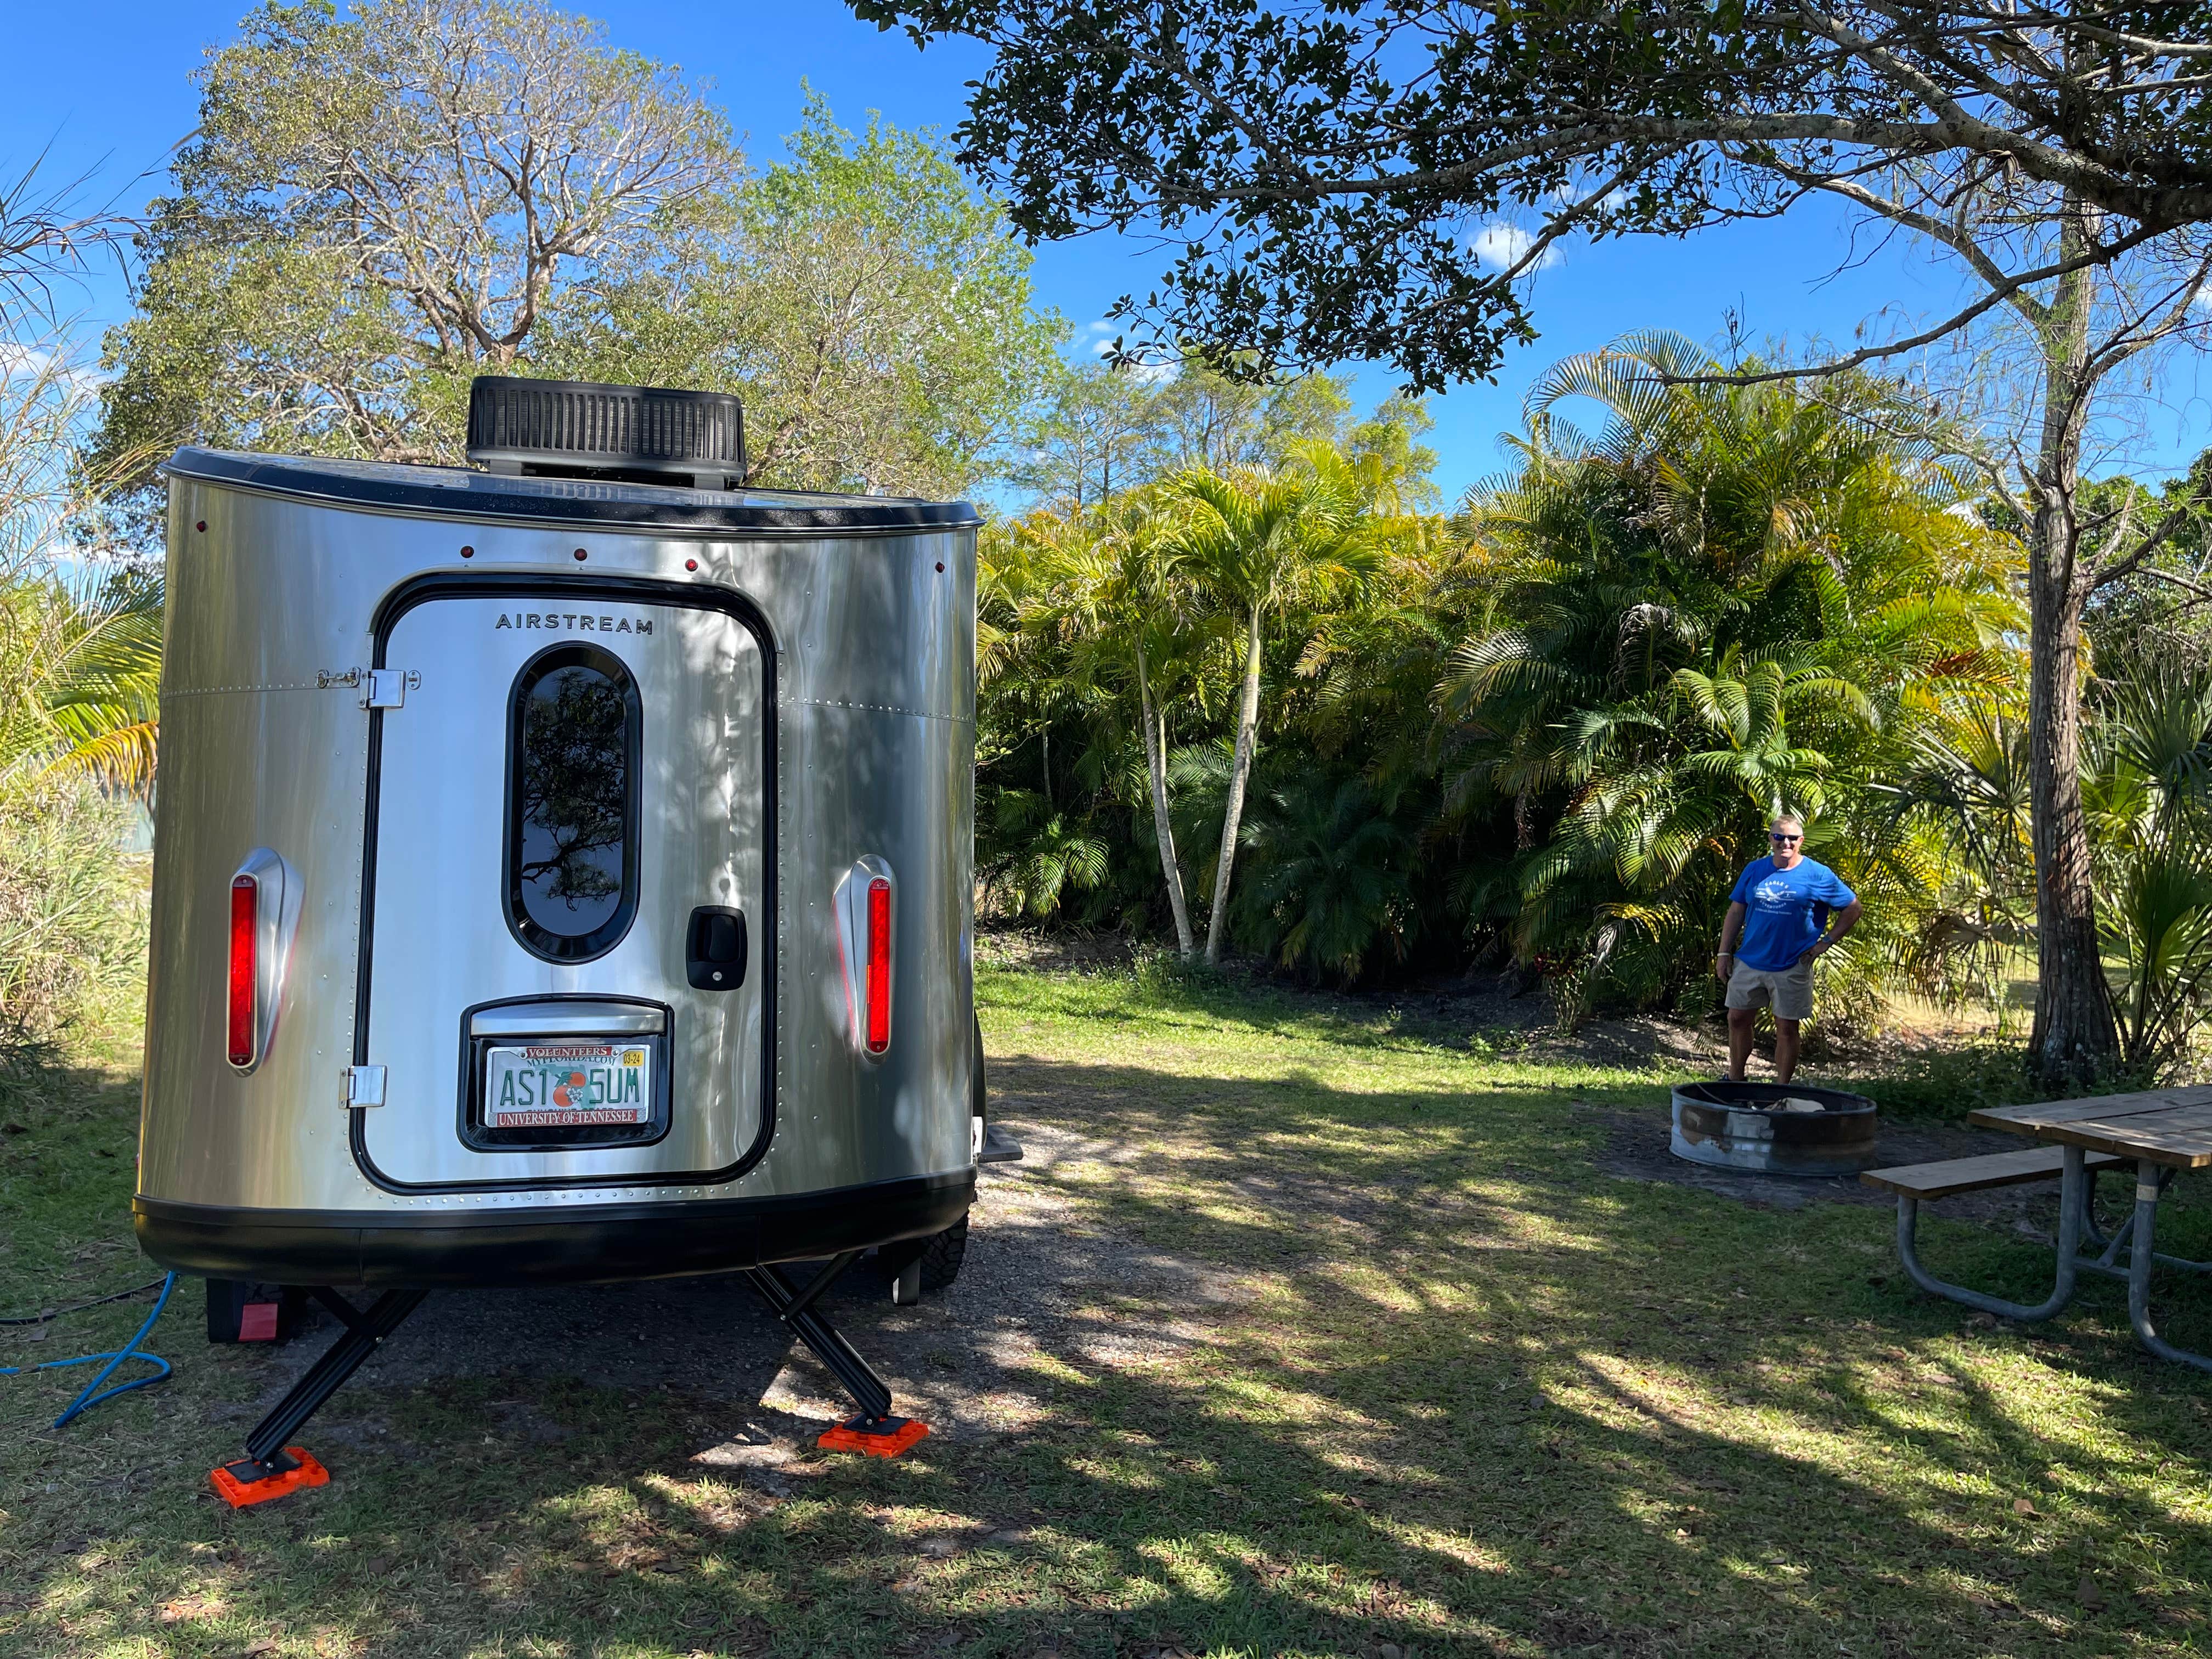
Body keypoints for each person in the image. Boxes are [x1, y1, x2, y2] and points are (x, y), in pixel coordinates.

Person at [1713, 815, 1862, 1084]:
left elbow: (1853, 907)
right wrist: (1724, 953)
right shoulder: (1755, 870)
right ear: (1771, 839)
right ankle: (1735, 1080)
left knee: (1786, 1027)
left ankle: (1781, 1089)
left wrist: (1824, 944)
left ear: (1801, 841)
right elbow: (1736, 911)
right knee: (1737, 1018)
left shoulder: (1817, 874)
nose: (1786, 843)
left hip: (1792, 963)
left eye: (1792, 838)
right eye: (1780, 837)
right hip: (1750, 960)